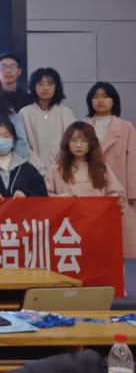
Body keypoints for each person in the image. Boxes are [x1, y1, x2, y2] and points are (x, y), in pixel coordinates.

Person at [85, 81, 136, 257]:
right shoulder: (84, 126)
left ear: (114, 100)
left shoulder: (126, 127)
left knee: (117, 244)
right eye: (96, 97)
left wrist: (132, 192)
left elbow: (133, 160)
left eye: (105, 96)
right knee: (93, 244)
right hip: (90, 188)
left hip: (118, 188)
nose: (100, 100)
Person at [45, 122, 125, 209]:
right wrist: (61, 199)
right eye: (73, 140)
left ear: (91, 143)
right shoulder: (56, 168)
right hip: (67, 217)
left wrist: (110, 204)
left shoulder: (101, 167)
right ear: (67, 142)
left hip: (96, 216)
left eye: (84, 140)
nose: (78, 145)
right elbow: (43, 197)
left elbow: (119, 195)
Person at [19, 68, 76, 175]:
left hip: (63, 170)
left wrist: (58, 166)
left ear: (56, 86)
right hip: (33, 171)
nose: (45, 88)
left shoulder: (66, 112)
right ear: (34, 86)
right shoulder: (24, 113)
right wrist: (39, 168)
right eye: (40, 84)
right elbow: (23, 145)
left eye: (50, 84)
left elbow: (72, 142)